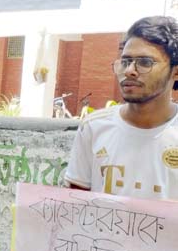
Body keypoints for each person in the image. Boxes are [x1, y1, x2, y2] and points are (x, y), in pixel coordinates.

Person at [65, 15, 178, 200]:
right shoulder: (94, 127)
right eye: (125, 62)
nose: (129, 71)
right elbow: (75, 203)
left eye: (145, 62)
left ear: (175, 71)